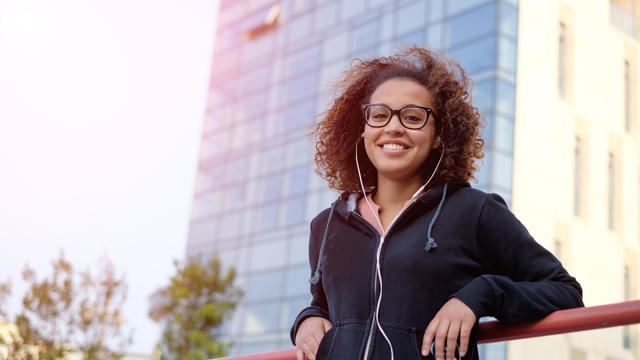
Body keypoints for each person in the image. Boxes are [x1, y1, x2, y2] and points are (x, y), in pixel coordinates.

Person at [289, 46, 583, 360]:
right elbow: (328, 306)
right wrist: (306, 319)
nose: (393, 127)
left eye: (413, 117)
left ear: (439, 135)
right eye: (379, 115)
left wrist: (480, 294)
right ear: (362, 129)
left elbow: (565, 291)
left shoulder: (473, 212)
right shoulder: (327, 225)